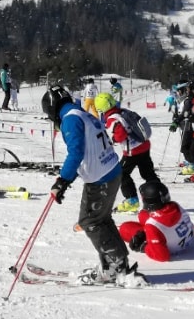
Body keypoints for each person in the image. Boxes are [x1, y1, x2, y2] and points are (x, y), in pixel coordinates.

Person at [42, 85, 146, 287]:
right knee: (102, 220)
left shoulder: (70, 119)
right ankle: (116, 264)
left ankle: (115, 268)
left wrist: (62, 181)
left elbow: (76, 152)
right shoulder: (81, 112)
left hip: (101, 178)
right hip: (111, 170)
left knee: (90, 221)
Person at [96, 93, 161, 213]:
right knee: (148, 173)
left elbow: (120, 135)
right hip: (144, 145)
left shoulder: (112, 119)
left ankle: (131, 200)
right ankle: (160, 197)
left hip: (133, 151)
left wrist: (112, 140)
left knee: (121, 173)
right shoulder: (122, 111)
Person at [118, 181, 194, 262]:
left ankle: (149, 236)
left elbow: (162, 256)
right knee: (143, 214)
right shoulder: (176, 206)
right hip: (188, 239)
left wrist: (144, 247)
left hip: (171, 248)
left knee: (124, 228)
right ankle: (151, 235)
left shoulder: (153, 225)